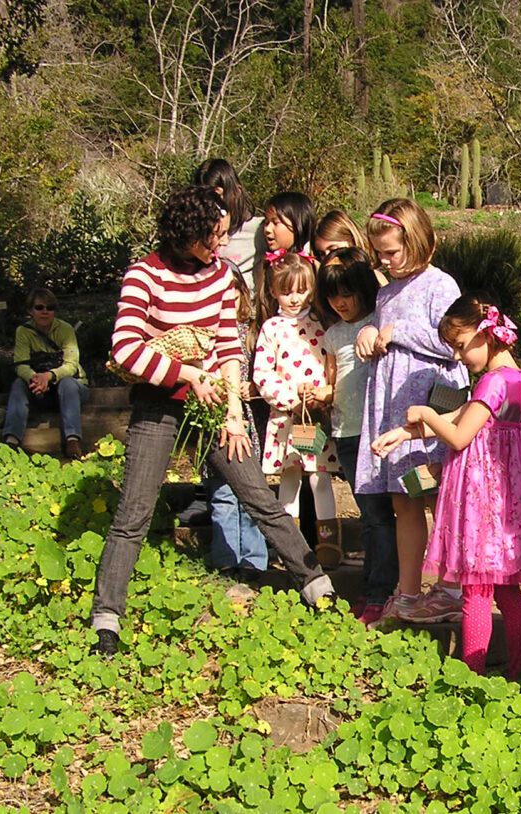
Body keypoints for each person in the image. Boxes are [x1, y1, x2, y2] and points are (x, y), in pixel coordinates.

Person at [90, 186, 335, 657]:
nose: (222, 246)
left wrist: (234, 415)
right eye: (214, 237)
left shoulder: (221, 274)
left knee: (258, 495)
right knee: (134, 513)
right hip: (159, 404)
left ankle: (315, 583)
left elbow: (226, 344)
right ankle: (108, 618)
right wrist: (186, 375)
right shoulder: (145, 274)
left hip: (216, 402)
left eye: (224, 236)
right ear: (187, 234)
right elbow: (124, 348)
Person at [372, 295, 521, 674]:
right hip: (504, 504)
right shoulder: (514, 379)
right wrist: (404, 433)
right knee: (507, 591)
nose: (460, 357)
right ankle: (518, 671)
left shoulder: (493, 383)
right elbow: (463, 415)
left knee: (476, 592)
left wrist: (428, 414)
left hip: (483, 503)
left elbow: (459, 435)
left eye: (462, 346)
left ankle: (474, 673)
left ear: (487, 335)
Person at [355, 198, 468, 625]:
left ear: (418, 241)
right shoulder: (386, 291)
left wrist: (397, 331)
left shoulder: (441, 285)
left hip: (432, 408)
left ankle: (451, 588)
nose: (385, 261)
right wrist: (369, 334)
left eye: (392, 252)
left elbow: (452, 341)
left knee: (439, 496)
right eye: (379, 253)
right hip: (393, 407)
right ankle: (407, 592)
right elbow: (384, 337)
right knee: (405, 499)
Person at [317, 248, 398, 625]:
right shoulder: (332, 334)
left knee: (381, 516)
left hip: (378, 434)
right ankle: (373, 589)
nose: (340, 302)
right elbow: (331, 380)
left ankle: (383, 591)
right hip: (346, 433)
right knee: (369, 517)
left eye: (347, 293)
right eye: (333, 295)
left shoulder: (378, 323)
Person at [252, 250, 342, 567]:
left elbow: (332, 365)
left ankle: (329, 544)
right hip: (286, 418)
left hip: (315, 418)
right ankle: (288, 544)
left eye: (301, 290)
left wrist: (322, 394)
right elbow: (263, 373)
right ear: (274, 291)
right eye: (286, 291)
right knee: (289, 477)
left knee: (320, 477)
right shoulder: (271, 328)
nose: (294, 298)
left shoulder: (321, 324)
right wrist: (290, 397)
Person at [205, 264, 268, 579]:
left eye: (230, 289)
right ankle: (226, 559)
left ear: (241, 291)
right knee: (223, 495)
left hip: (251, 425)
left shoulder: (255, 331)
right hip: (217, 425)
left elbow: (273, 369)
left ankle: (255, 560)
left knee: (252, 495)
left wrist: (257, 386)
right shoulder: (204, 336)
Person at [3, 288, 89, 459]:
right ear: (30, 310)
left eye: (50, 308)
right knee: (19, 384)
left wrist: (48, 376)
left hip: (71, 389)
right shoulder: (23, 331)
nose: (45, 312)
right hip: (39, 388)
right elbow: (20, 364)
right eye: (39, 307)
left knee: (68, 383)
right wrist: (35, 379)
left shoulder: (65, 330)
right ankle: (11, 441)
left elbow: (71, 365)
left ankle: (73, 440)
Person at [192, 159, 260, 288]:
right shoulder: (195, 238)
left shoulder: (261, 231)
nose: (211, 203)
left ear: (236, 191)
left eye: (217, 195)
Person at [255, 192, 316, 328]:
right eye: (266, 222)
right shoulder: (269, 265)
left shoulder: (313, 265)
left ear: (298, 223)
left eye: (275, 222)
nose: (267, 229)